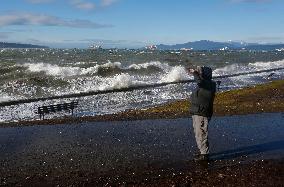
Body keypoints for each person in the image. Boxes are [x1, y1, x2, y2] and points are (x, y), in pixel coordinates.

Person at [187, 66, 216, 161]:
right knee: (198, 133)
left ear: (204, 75)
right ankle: (202, 151)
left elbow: (199, 81)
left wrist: (194, 73)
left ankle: (204, 155)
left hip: (202, 113)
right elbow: (199, 81)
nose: (199, 73)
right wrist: (195, 73)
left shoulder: (208, 84)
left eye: (201, 72)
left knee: (201, 133)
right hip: (198, 112)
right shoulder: (206, 84)